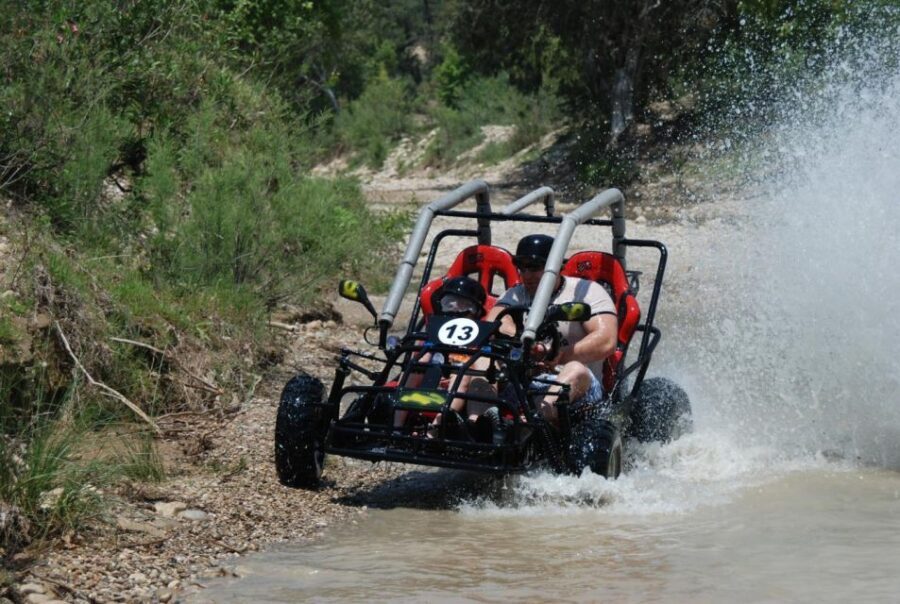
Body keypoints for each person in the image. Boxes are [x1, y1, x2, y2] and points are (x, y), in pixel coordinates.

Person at [485, 234, 618, 423]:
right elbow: (495, 324)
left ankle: (535, 424)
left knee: (575, 368)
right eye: (522, 267)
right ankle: (479, 421)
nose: (527, 275)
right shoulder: (515, 294)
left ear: (554, 267)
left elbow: (607, 340)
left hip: (577, 387)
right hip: (522, 384)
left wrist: (558, 355)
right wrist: (525, 343)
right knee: (480, 360)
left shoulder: (585, 292)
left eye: (534, 267)